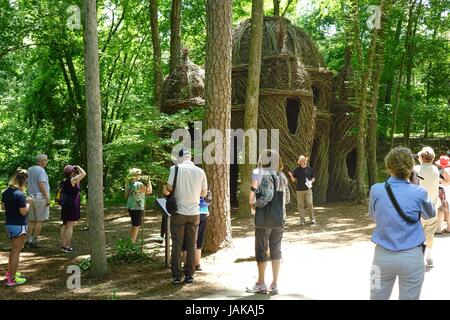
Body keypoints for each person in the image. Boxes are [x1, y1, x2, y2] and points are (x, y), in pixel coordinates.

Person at [369, 147, 435, 300]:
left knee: (376, 297)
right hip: (411, 257)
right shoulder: (419, 192)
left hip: (381, 257)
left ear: (388, 166)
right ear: (411, 168)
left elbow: (374, 216)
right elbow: (430, 214)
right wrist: (416, 185)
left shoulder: (376, 190)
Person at [247, 150, 289, 295]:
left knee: (261, 250)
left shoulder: (264, 175)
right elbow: (287, 199)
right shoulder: (282, 176)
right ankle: (275, 283)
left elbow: (268, 196)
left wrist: (254, 204)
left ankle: (261, 283)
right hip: (280, 219)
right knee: (276, 250)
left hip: (265, 220)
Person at [166, 148, 207, 285]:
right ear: (190, 157)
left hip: (178, 211)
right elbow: (203, 193)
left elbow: (169, 187)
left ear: (180, 157)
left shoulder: (175, 169)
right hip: (194, 212)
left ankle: (176, 275)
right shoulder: (200, 172)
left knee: (177, 244)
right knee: (192, 244)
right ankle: (190, 274)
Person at [1, 168, 34, 286]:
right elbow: (24, 212)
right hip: (18, 225)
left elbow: (3, 207)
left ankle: (10, 274)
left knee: (13, 250)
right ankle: (12, 279)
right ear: (24, 181)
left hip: (9, 224)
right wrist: (29, 202)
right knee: (16, 252)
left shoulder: (6, 192)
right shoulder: (20, 195)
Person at [413, 147, 440, 267]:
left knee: (416, 233)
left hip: (418, 208)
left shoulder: (416, 169)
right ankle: (428, 257)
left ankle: (418, 257)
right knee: (429, 233)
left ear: (422, 158)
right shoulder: (435, 170)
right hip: (432, 207)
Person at [181, 192, 211, 271]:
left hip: (189, 211)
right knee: (199, 237)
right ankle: (197, 263)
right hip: (203, 211)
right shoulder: (202, 179)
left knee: (185, 237)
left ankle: (186, 263)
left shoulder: (186, 180)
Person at [60, 165, 86, 252]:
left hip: (65, 204)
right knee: (70, 226)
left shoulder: (64, 180)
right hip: (72, 205)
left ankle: (63, 245)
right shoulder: (73, 180)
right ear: (72, 172)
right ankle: (67, 246)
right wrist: (78, 167)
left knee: (64, 225)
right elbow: (84, 174)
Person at [26, 154, 50, 248]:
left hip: (31, 197)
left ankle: (28, 240)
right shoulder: (41, 170)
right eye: (46, 160)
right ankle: (34, 241)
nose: (47, 162)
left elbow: (27, 182)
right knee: (40, 220)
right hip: (40, 198)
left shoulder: (30, 169)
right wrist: (47, 197)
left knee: (31, 220)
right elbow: (41, 184)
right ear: (42, 161)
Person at [125, 168, 152, 243]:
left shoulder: (129, 184)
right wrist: (149, 181)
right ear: (136, 175)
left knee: (134, 224)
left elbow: (126, 195)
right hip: (137, 207)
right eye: (140, 174)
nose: (141, 176)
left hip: (130, 206)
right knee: (136, 226)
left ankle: (132, 242)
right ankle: (132, 243)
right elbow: (149, 191)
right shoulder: (138, 184)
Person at [288, 155, 315, 226]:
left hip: (308, 190)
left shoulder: (310, 169)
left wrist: (311, 181)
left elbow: (313, 178)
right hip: (299, 190)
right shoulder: (297, 170)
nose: (304, 161)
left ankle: (312, 219)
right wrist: (291, 176)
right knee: (300, 206)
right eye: (303, 160)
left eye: (305, 160)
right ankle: (302, 221)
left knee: (310, 203)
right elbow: (293, 180)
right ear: (300, 162)